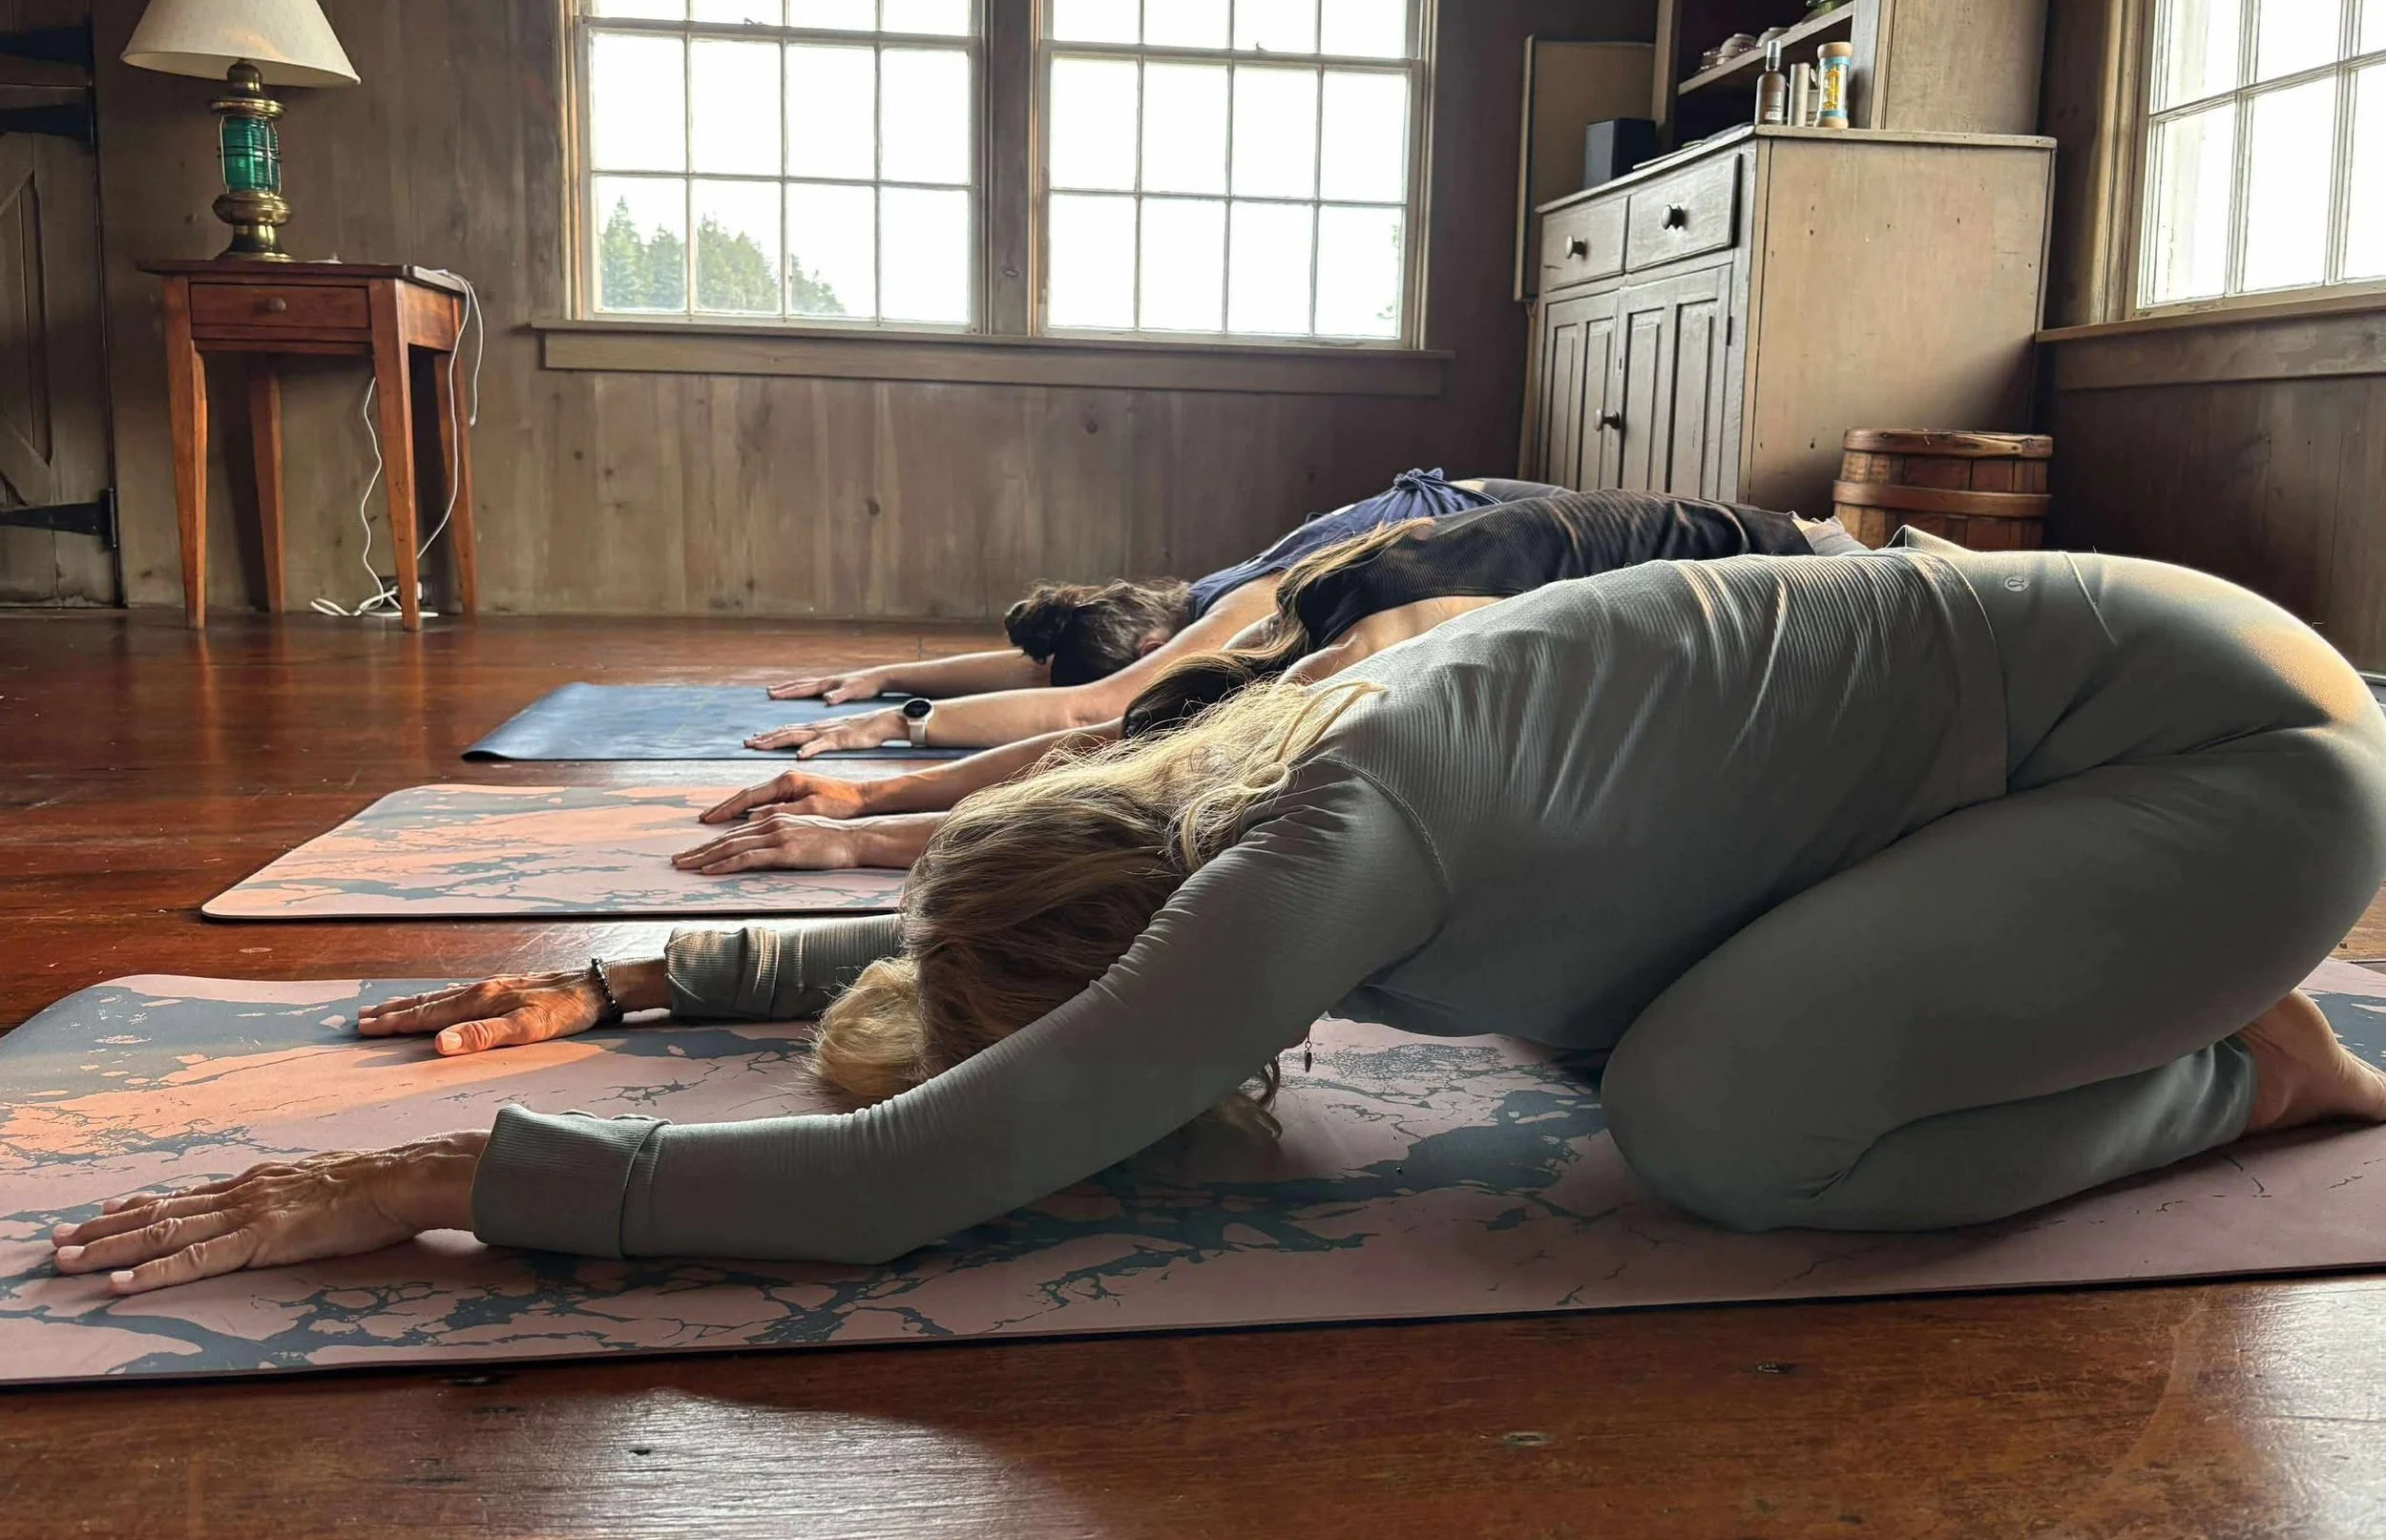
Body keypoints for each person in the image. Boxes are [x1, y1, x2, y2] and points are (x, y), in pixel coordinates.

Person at [51, 537, 2386, 1292]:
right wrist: (645, 964)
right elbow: (994, 941)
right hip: (2125, 716)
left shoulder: (1323, 857)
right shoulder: (1214, 795)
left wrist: (445, 1185)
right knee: (1600, 1034)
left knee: (1717, 1124)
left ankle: (2237, 1058)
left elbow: (918, 1165)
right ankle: (2134, 964)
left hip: (2232, 773)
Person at [668, 489, 1838, 876]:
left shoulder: (1354, 640)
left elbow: (1132, 778)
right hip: (1746, 578)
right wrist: (873, 793)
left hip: (1829, 588)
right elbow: (1103, 732)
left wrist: (872, 819)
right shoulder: (1289, 611)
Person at [743, 467, 1568, 754]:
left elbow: (1095, 703)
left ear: (1148, 645)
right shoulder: (1189, 597)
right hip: (1518, 523)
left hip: (1561, 539)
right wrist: (888, 677)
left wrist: (903, 724)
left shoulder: (1238, 602)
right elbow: (1053, 671)